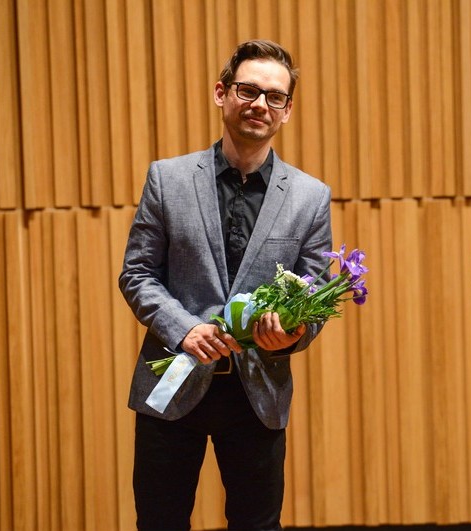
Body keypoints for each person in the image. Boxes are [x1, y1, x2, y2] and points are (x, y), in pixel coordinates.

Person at [119, 39, 332, 530]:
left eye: (274, 96)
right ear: (222, 93)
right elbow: (137, 273)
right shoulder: (167, 179)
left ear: (287, 110)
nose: (260, 103)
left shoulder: (310, 197)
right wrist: (184, 328)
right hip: (172, 379)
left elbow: (316, 296)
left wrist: (295, 334)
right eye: (248, 89)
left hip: (257, 393)